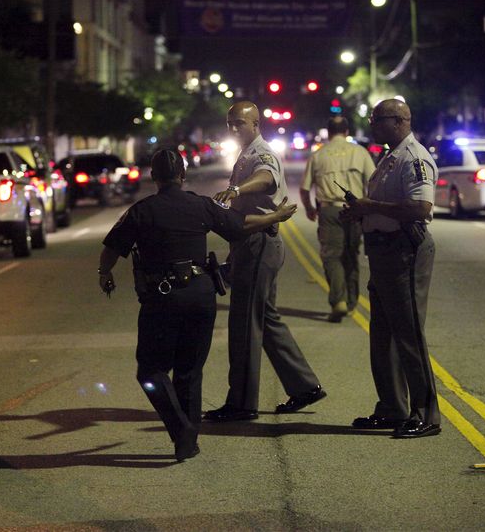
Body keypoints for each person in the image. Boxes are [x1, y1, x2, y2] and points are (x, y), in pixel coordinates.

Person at [98, 148, 297, 461]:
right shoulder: (200, 205)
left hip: (162, 299)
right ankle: (187, 442)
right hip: (200, 295)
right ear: (183, 175)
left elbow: (112, 247)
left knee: (151, 371)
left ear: (153, 176)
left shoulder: (142, 210)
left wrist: (104, 273)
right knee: (189, 371)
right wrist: (276, 216)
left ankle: (183, 431)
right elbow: (239, 225)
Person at [204, 101, 326, 423]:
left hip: (260, 244)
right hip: (250, 243)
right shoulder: (245, 153)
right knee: (266, 321)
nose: (233, 129)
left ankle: (242, 404)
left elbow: (266, 179)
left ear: (255, 124)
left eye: (239, 124)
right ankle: (304, 386)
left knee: (244, 325)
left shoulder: (262, 154)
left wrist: (236, 189)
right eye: (230, 123)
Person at [340, 99, 440, 438]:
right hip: (383, 252)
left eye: (377, 119)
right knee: (382, 337)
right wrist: (361, 212)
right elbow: (386, 206)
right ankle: (392, 408)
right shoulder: (390, 157)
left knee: (408, 335)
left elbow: (420, 206)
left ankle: (425, 413)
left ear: (399, 121)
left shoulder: (414, 159)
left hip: (404, 251)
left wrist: (370, 205)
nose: (371, 124)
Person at [300, 116, 375, 322]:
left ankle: (338, 301)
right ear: (347, 131)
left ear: (329, 132)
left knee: (332, 256)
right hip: (355, 210)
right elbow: (373, 182)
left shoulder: (319, 155)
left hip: (329, 210)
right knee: (351, 255)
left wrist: (309, 208)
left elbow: (305, 188)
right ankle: (351, 302)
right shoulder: (360, 153)